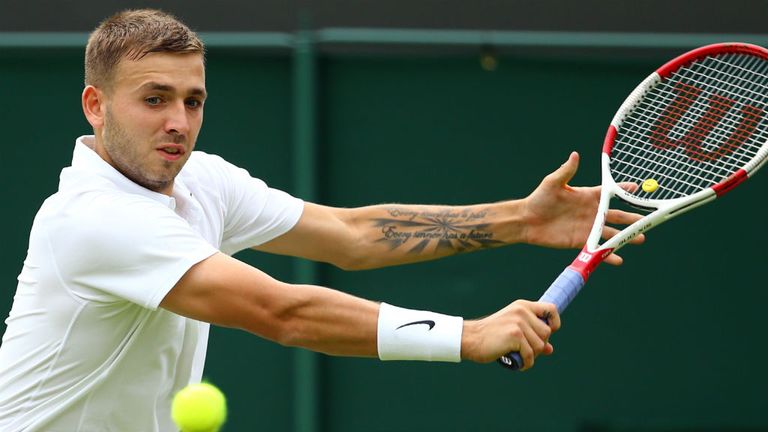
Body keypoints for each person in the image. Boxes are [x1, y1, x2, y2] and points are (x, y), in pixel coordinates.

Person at [0, 9, 644, 432]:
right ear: (95, 105)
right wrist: (467, 335)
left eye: (192, 100)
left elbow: (349, 236)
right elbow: (285, 313)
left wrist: (519, 219)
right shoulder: (93, 220)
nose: (179, 121)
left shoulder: (201, 181)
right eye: (154, 99)